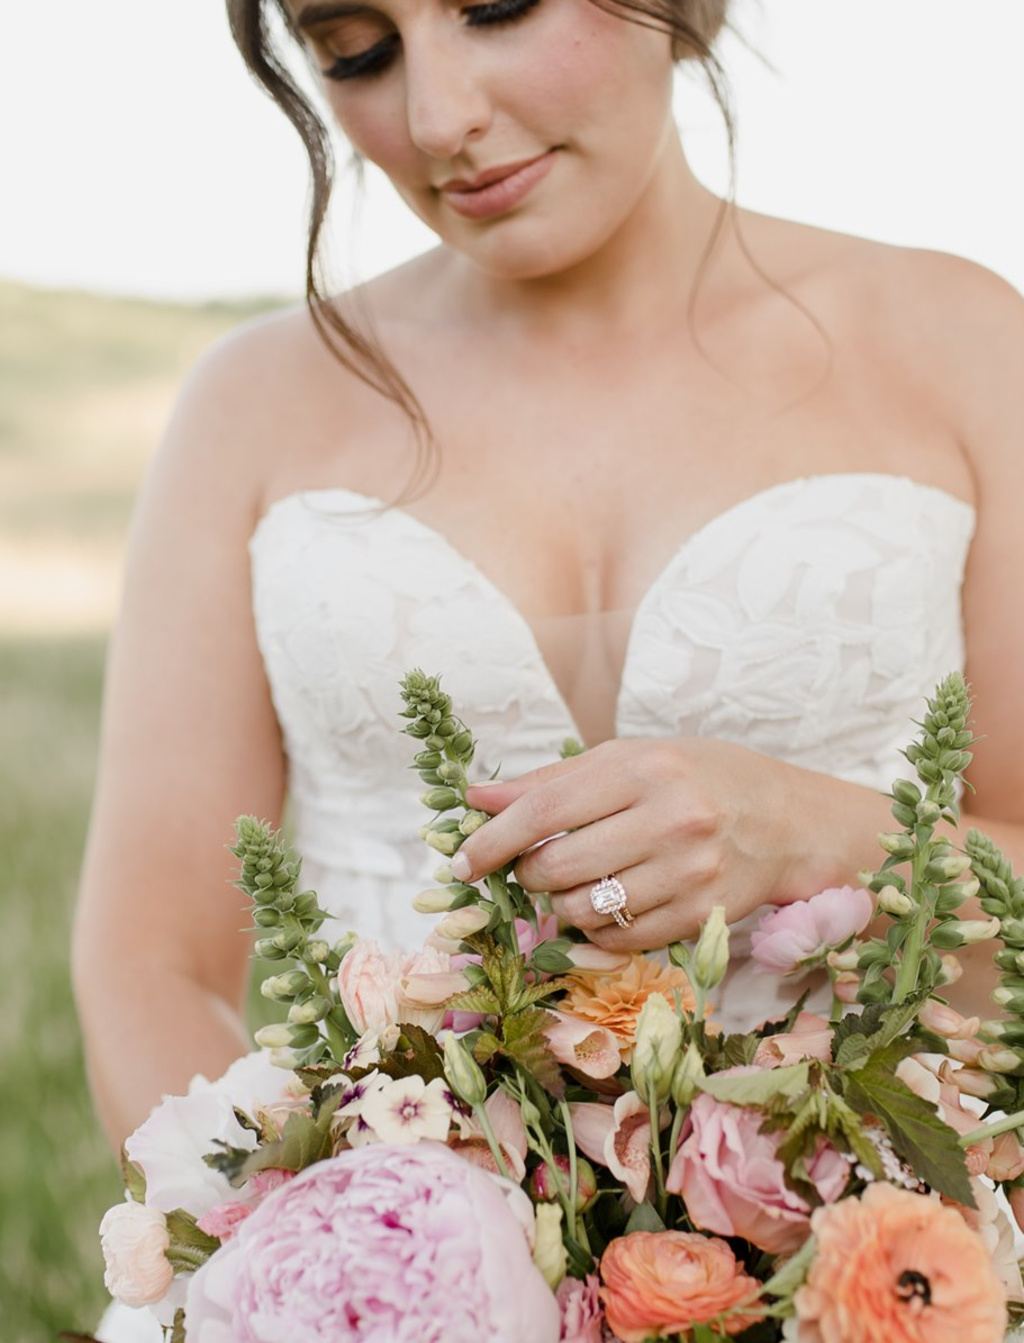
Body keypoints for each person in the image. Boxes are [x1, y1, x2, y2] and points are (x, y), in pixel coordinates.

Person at [75, 0, 1024, 1332]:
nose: (436, 117)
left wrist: (811, 828)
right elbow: (148, 953)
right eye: (358, 50)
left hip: (871, 1283)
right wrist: (306, 1270)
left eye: (497, 6)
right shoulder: (252, 407)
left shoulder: (962, 341)